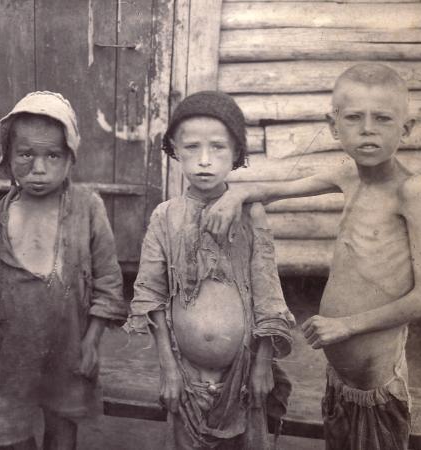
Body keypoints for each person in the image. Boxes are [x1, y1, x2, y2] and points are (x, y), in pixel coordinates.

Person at [203, 63, 421, 450]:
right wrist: (236, 194)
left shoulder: (411, 190)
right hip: (341, 384)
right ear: (333, 127)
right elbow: (278, 190)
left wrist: (346, 326)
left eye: (382, 118)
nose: (367, 129)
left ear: (407, 128)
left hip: (376, 388)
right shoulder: (348, 175)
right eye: (354, 118)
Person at [124, 91, 296, 449]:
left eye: (218, 148)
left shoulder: (252, 216)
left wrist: (263, 364)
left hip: (244, 375)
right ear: (174, 149)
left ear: (236, 153)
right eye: (191, 148)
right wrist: (168, 369)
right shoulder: (165, 217)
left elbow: (268, 294)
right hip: (186, 378)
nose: (204, 161)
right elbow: (151, 296)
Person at [0, 91, 128, 450]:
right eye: (25, 155)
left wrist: (91, 341)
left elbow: (109, 282)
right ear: (7, 159)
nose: (39, 169)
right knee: (10, 437)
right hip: (11, 355)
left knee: (62, 434)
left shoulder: (87, 209)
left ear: (70, 158)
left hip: (68, 351)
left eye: (52, 155)